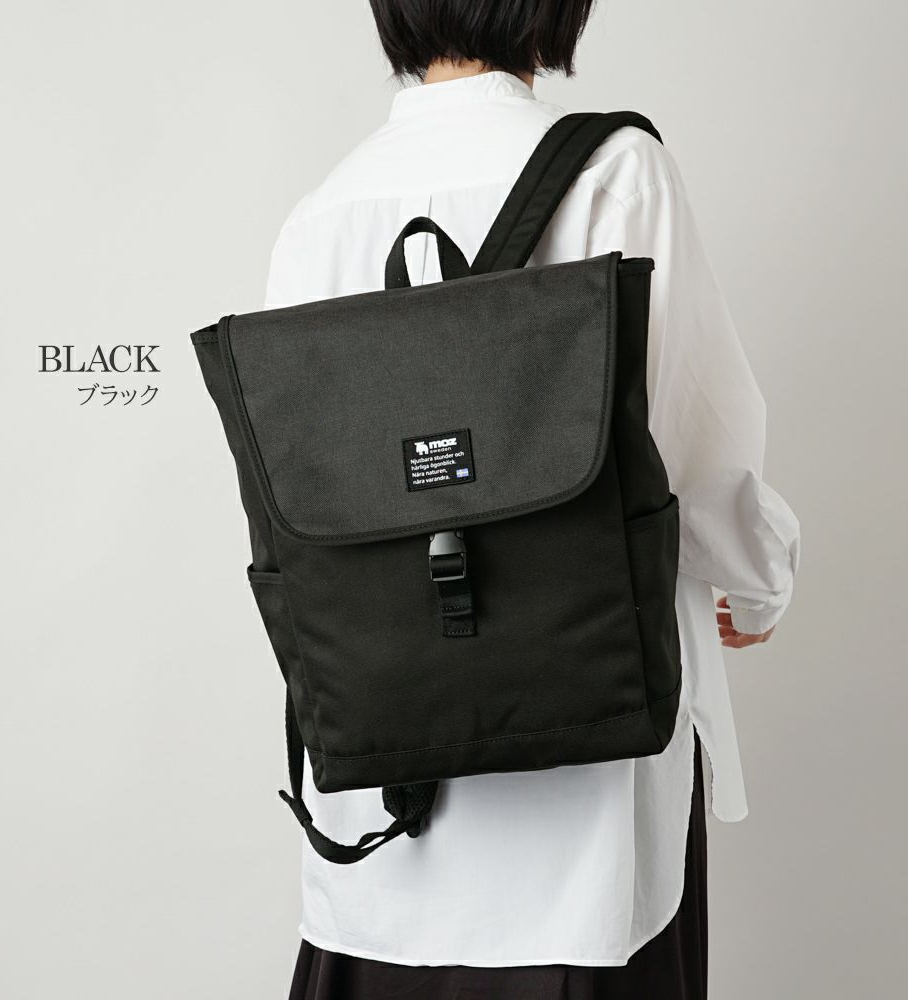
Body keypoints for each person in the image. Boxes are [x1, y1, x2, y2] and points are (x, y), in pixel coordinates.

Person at [264, 2, 800, 997]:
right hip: (583, 818)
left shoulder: (320, 215)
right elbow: (698, 450)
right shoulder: (616, 175)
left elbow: (298, 504)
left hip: (385, 819)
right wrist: (761, 582)